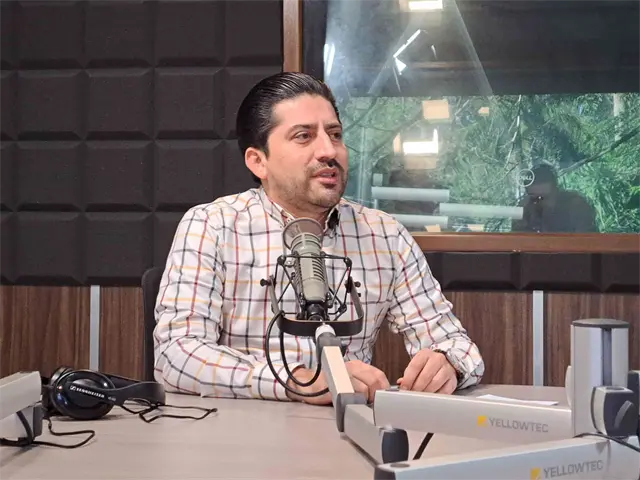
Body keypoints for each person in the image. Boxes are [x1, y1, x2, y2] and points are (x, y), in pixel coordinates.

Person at [153, 72, 484, 405]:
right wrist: (298, 381)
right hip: (242, 428)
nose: (329, 150)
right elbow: (175, 355)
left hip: (345, 428)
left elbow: (458, 346)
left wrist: (447, 364)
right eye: (304, 136)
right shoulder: (213, 226)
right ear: (258, 161)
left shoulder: (385, 235)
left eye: (335, 134)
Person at [512, 163, 598, 233]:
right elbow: (518, 242)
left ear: (556, 191)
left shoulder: (575, 206)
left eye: (544, 198)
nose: (539, 203)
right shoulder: (525, 210)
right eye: (534, 198)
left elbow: (586, 242)